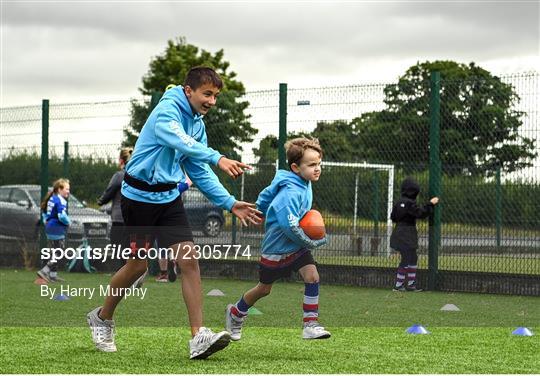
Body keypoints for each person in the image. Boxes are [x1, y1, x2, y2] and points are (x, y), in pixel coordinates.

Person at [86, 66, 262, 360]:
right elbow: (178, 141)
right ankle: (103, 318)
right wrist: (218, 157)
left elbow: (198, 170)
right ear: (188, 90)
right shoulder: (167, 111)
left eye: (216, 96)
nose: (212, 101)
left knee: (189, 260)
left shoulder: (197, 125)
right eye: (207, 94)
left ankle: (198, 337)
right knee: (138, 267)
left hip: (168, 200)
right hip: (139, 200)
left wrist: (230, 202)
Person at [225, 137, 330, 342]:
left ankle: (310, 324)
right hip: (277, 249)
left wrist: (261, 208)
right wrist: (313, 242)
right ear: (295, 167)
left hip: (296, 246)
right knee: (264, 289)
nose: (317, 169)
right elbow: (290, 227)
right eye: (312, 165)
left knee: (312, 277)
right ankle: (236, 313)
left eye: (319, 164)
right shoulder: (290, 193)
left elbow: (267, 194)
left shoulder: (304, 181)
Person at [389, 177, 439, 292]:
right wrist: (430, 204)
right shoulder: (410, 203)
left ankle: (408, 284)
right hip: (408, 234)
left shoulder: (399, 202)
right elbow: (420, 213)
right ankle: (399, 285)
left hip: (398, 232)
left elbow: (393, 217)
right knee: (408, 258)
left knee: (410, 257)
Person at [97, 147, 133, 271]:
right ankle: (132, 273)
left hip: (119, 218)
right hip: (134, 218)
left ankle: (121, 274)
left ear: (121, 160)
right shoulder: (138, 175)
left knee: (117, 248)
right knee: (129, 248)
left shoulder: (119, 175)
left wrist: (101, 201)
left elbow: (110, 191)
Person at [37, 178, 71, 283]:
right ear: (59, 189)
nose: (68, 191)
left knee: (54, 251)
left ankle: (53, 276)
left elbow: (44, 212)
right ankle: (45, 271)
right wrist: (68, 222)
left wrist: (45, 220)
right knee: (59, 252)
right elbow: (61, 216)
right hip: (57, 228)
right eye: (66, 189)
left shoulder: (52, 198)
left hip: (50, 228)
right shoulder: (61, 200)